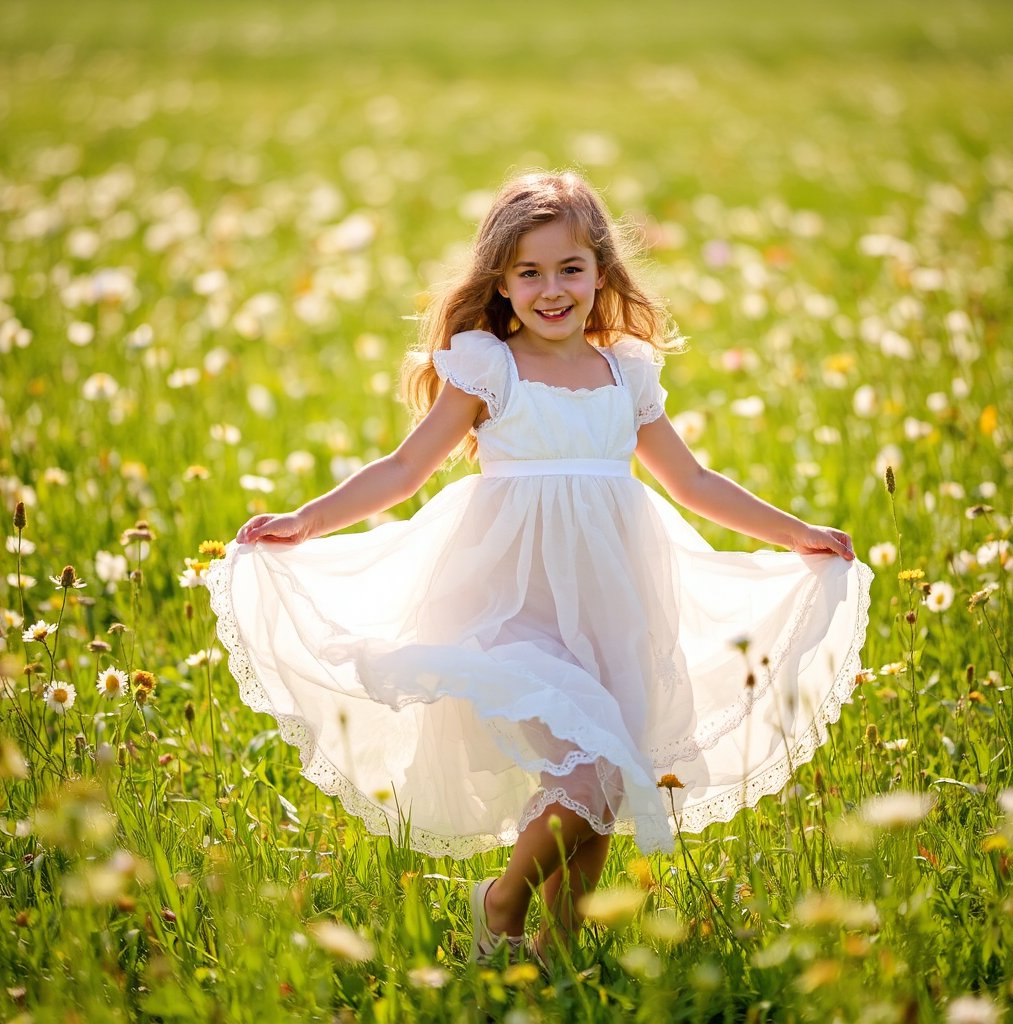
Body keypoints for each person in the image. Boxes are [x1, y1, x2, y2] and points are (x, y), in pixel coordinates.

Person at [204, 170, 872, 967]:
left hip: (614, 603)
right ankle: (502, 901)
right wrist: (307, 519)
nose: (551, 290)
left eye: (570, 270)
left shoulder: (626, 374)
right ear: (502, 282)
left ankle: (557, 961)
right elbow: (406, 467)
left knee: (611, 789)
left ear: (600, 273)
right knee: (584, 776)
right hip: (509, 601)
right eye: (530, 273)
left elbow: (693, 482)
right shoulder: (489, 368)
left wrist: (795, 532)